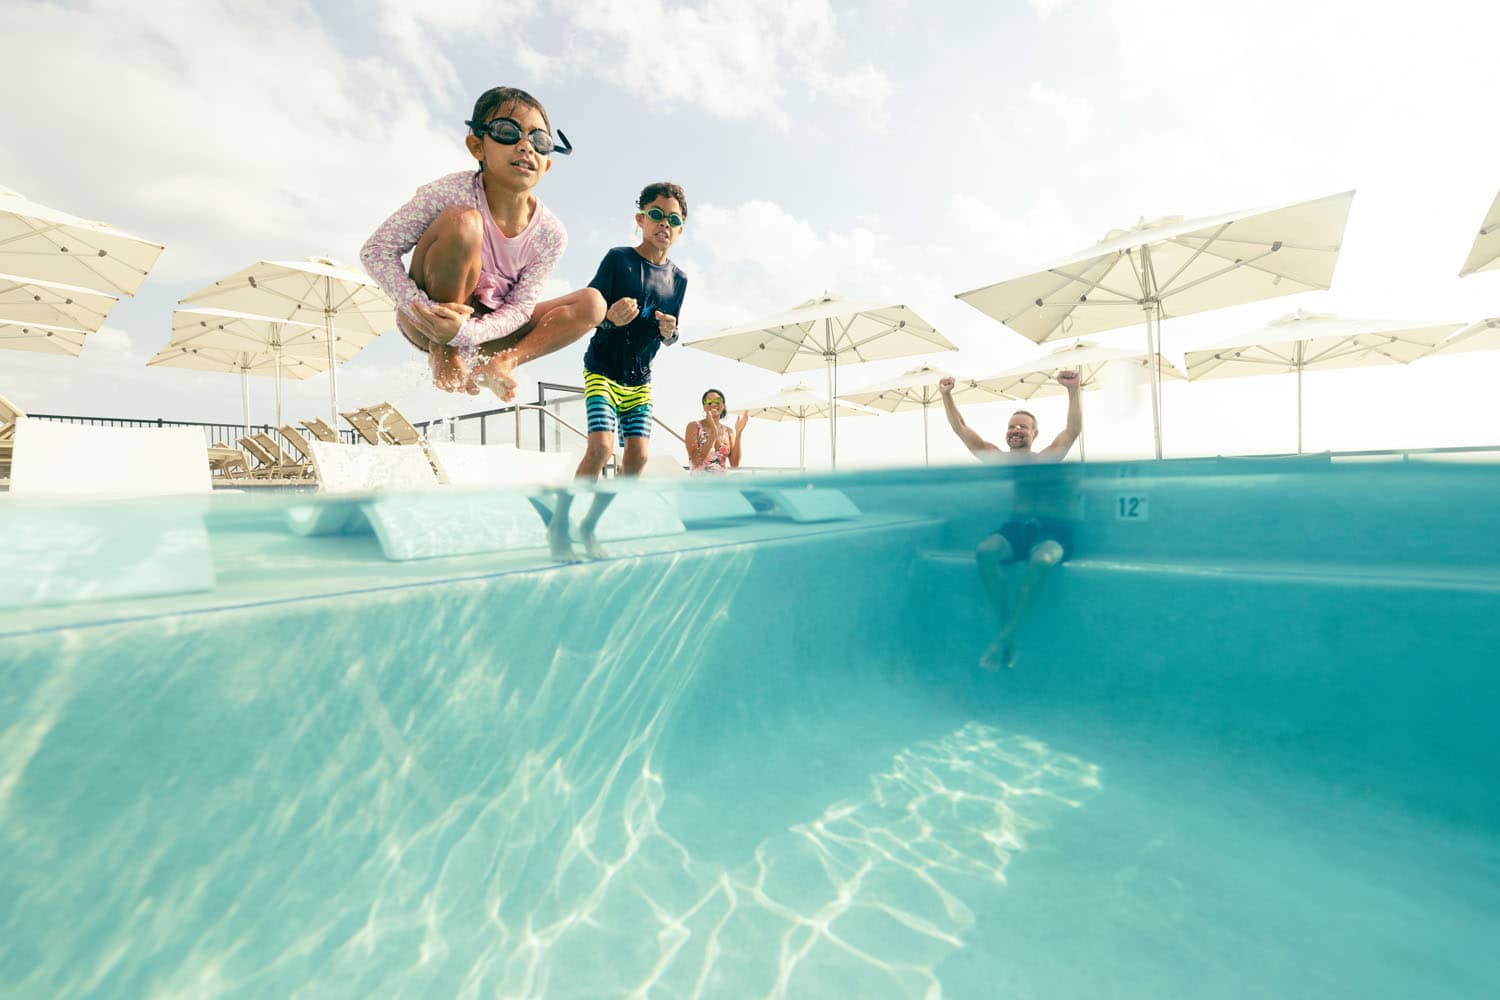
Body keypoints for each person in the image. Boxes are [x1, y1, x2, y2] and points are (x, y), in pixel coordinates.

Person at [360, 85, 605, 401]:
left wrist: (467, 334)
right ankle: (443, 351)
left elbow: (520, 308)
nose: (525, 146)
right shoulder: (450, 192)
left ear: (547, 164)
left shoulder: (550, 233)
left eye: (539, 141)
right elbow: (377, 250)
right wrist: (426, 314)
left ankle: (502, 363)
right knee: (464, 223)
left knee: (593, 303)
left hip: (488, 332)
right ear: (477, 146)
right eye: (508, 132)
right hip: (428, 319)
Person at [550, 182, 690, 559]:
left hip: (639, 381)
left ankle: (588, 525)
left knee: (639, 459)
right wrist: (609, 319)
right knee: (601, 448)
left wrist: (670, 333)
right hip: (602, 370)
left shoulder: (679, 281)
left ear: (680, 229)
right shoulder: (617, 260)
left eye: (673, 219)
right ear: (641, 219)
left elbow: (671, 335)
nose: (664, 224)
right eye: (657, 215)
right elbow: (588, 313)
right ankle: (560, 521)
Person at [938, 370, 1083, 670]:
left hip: (1052, 530)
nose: (1016, 430)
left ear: (1034, 435)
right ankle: (1007, 630)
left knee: (1042, 561)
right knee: (985, 551)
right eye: (1012, 426)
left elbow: (1072, 430)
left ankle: (1006, 637)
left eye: (1024, 427)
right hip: (1016, 529)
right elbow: (961, 429)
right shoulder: (998, 457)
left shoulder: (1046, 459)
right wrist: (946, 395)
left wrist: (1072, 390)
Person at [684, 389, 748, 474]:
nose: (713, 404)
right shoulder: (694, 426)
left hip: (722, 484)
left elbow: (734, 464)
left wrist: (739, 433)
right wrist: (713, 433)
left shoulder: (728, 431)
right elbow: (696, 461)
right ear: (704, 406)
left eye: (717, 401)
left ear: (723, 405)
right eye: (709, 401)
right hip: (700, 484)